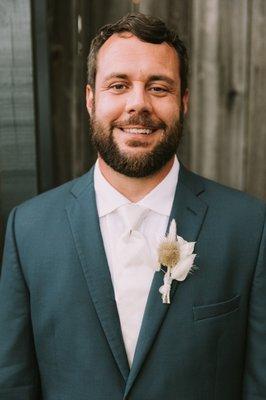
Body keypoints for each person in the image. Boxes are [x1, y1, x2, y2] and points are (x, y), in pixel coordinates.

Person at [0, 12, 265, 400]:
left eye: (159, 88)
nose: (138, 104)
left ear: (183, 101)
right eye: (119, 85)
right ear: (91, 99)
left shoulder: (249, 228)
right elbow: (14, 382)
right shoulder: (28, 230)